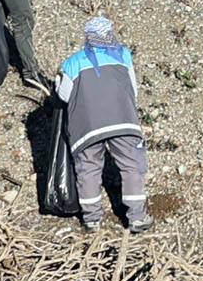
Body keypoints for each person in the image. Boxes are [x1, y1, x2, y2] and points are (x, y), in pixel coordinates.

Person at [54, 15, 152, 233]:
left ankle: (92, 220)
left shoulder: (73, 62)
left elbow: (64, 95)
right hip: (123, 121)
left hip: (86, 128)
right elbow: (133, 90)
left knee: (88, 170)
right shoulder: (123, 56)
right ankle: (137, 217)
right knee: (131, 166)